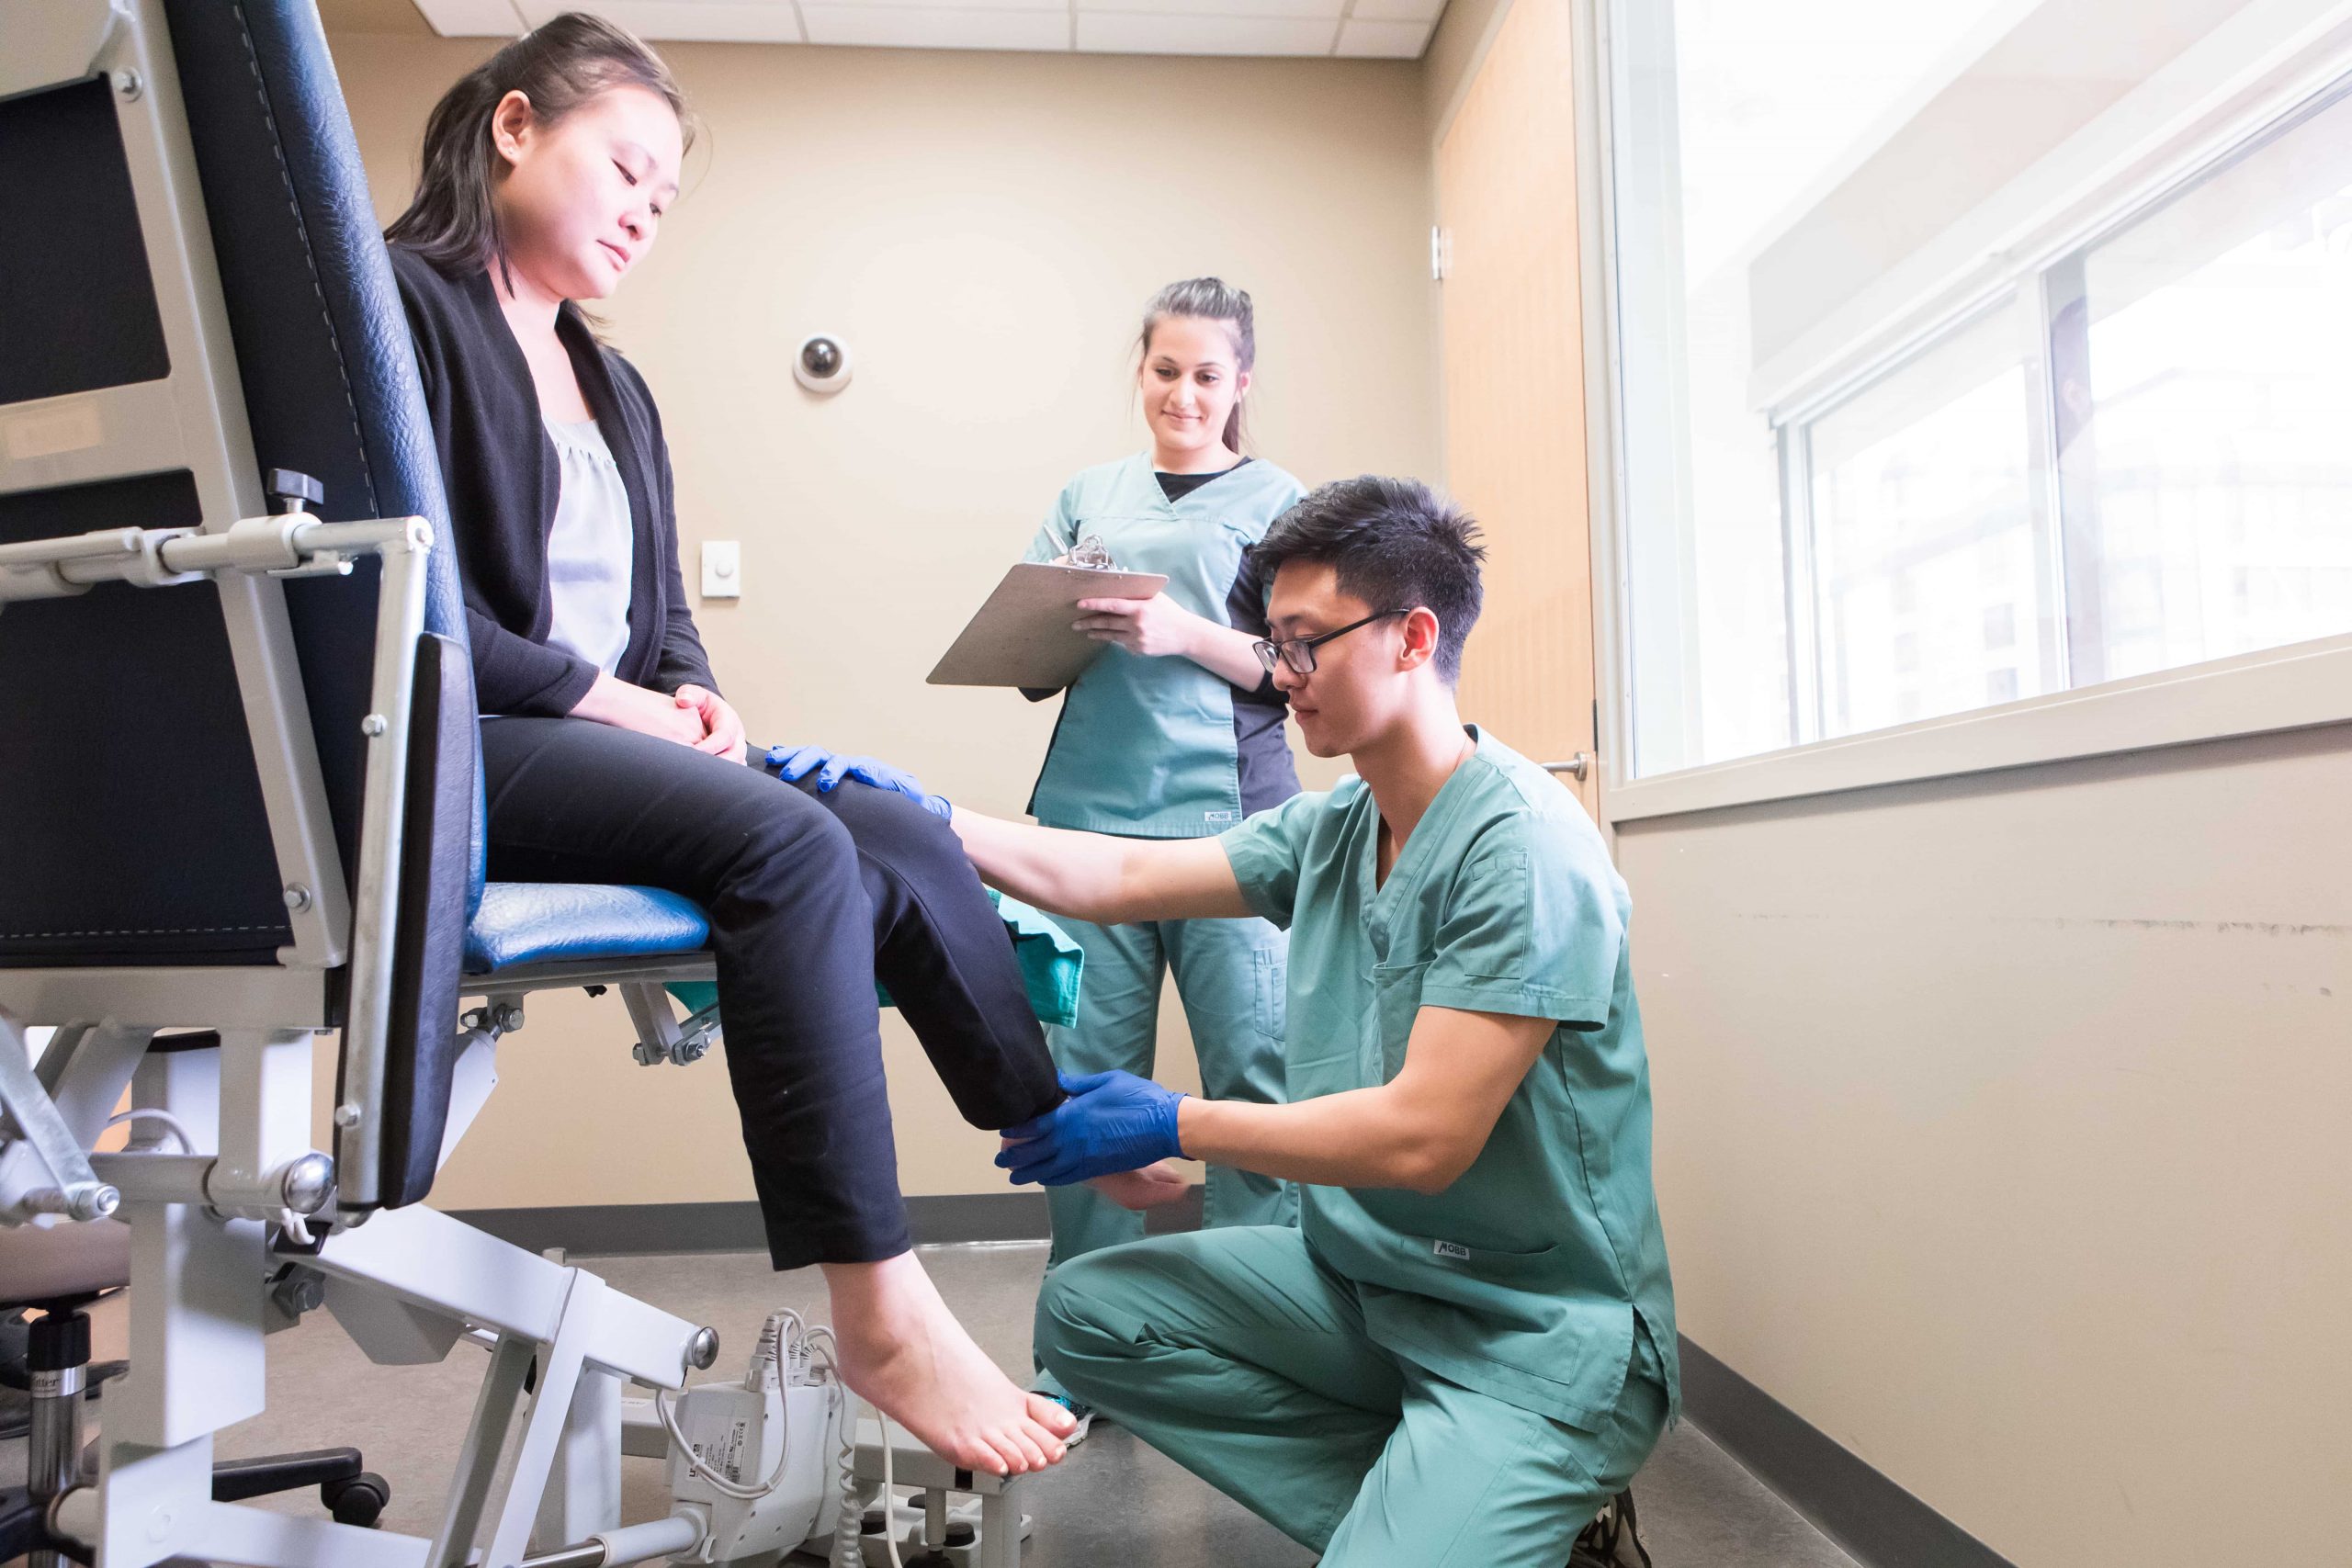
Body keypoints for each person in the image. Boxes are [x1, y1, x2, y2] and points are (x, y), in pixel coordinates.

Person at [382, 14, 1074, 1475]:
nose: (645, 206)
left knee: (889, 821)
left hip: (589, 734)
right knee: (786, 841)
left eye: (665, 192)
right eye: (623, 166)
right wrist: (626, 706)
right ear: (515, 129)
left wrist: (693, 700)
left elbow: (661, 615)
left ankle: (1051, 1120)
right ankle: (877, 1303)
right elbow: (415, 603)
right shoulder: (399, 309)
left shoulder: (612, 382)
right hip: (457, 737)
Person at [955, 477, 1680, 1563]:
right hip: (1368, 1285)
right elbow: (1105, 873)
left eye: (1302, 644)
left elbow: (1420, 1140)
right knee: (1091, 1316)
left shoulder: (1524, 848)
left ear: (1410, 636)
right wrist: (916, 817)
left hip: (1532, 1331)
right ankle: (1493, 1522)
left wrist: (1173, 1122)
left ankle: (1498, 1499)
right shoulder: (1339, 826)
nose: (1278, 677)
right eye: (1274, 646)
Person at [1014, 279, 1308, 1423]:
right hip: (1088, 829)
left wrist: (1182, 630)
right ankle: (1089, 1356)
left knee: (1258, 1092)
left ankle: (1259, 1350)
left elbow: (1300, 670)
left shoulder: (1284, 504)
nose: (1183, 392)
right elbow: (1031, 649)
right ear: (1140, 373)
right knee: (1084, 1097)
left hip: (1234, 833)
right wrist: (1056, 615)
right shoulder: (1089, 494)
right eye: (1164, 370)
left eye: (1206, 374)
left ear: (1241, 384)